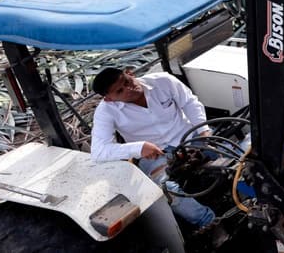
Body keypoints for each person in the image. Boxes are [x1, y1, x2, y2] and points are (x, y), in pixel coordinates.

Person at [90, 67, 217, 232]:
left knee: (236, 157)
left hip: (191, 137)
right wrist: (139, 147)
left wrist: (204, 133)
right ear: (109, 99)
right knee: (167, 190)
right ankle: (209, 222)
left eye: (127, 82)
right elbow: (99, 151)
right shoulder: (105, 112)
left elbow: (190, 102)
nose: (129, 89)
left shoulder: (163, 81)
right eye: (120, 91)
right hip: (155, 157)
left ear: (130, 73)